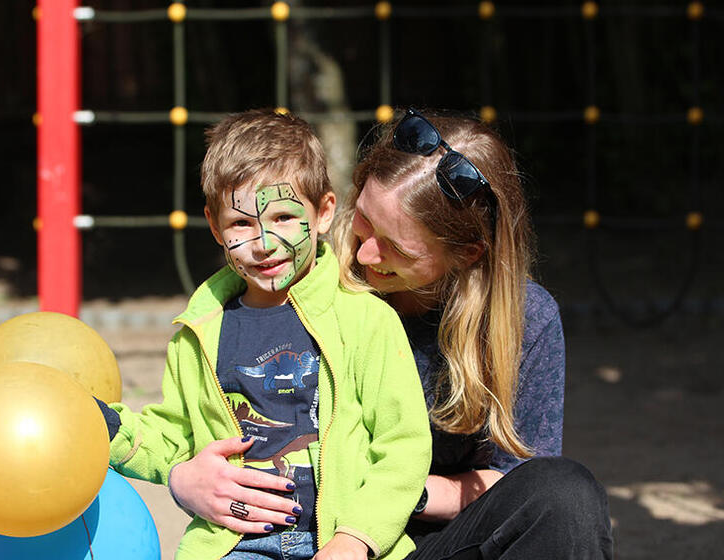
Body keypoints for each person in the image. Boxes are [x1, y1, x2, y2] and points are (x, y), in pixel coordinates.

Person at [166, 107, 614, 559]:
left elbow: (516, 482)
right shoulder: (304, 279)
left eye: (394, 247)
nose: (362, 253)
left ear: (468, 253)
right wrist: (181, 478)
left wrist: (387, 493)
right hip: (309, 538)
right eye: (363, 220)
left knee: (566, 495)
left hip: (426, 541)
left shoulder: (526, 318)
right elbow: (205, 411)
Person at [100, 108, 432, 560]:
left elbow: (403, 447)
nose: (264, 243)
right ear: (215, 227)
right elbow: (176, 440)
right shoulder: (199, 333)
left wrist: (355, 541)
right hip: (238, 546)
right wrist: (110, 429)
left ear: (323, 213)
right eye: (241, 224)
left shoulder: (366, 320)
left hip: (346, 541)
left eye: (281, 217)